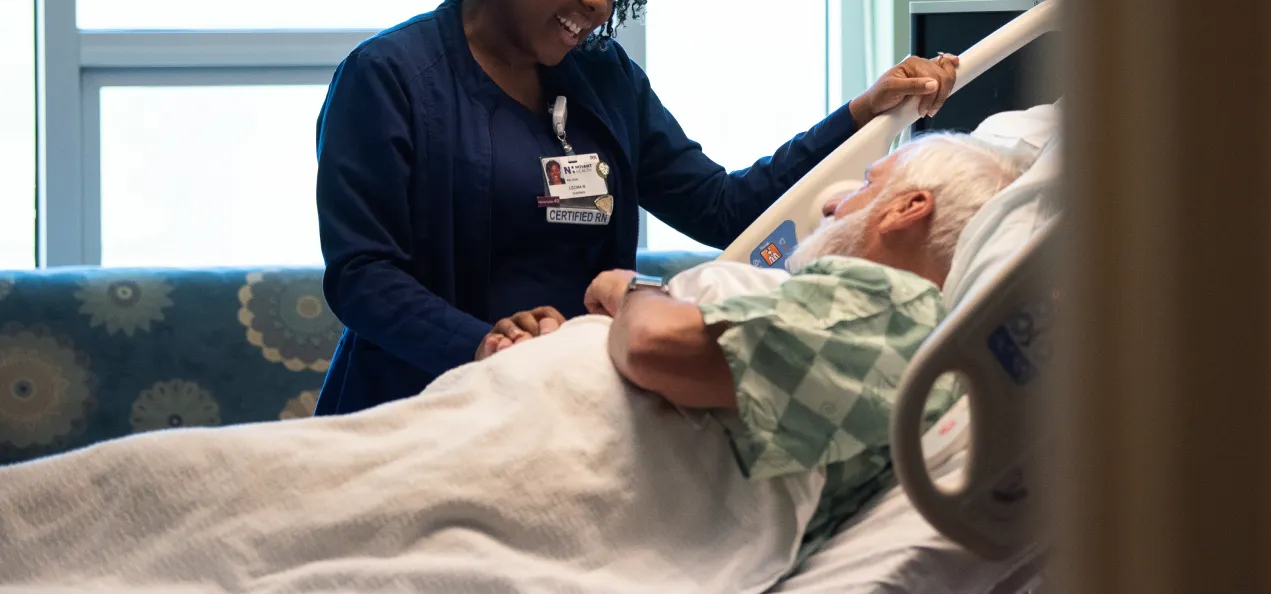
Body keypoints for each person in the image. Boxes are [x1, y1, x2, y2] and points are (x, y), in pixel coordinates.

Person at [0, 134, 1024, 594]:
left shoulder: (894, 313)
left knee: (195, 512)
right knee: (186, 496)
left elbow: (669, 353)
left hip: (568, 484)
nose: (828, 208)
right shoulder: (400, 77)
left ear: (904, 210)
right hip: (487, 425)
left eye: (857, 190)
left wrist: (620, 293)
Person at [314, 0, 960, 415]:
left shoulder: (603, 76)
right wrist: (484, 343)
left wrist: (861, 113)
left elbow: (722, 208)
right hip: (422, 402)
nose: (598, 3)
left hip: (567, 399)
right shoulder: (391, 77)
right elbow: (363, 275)